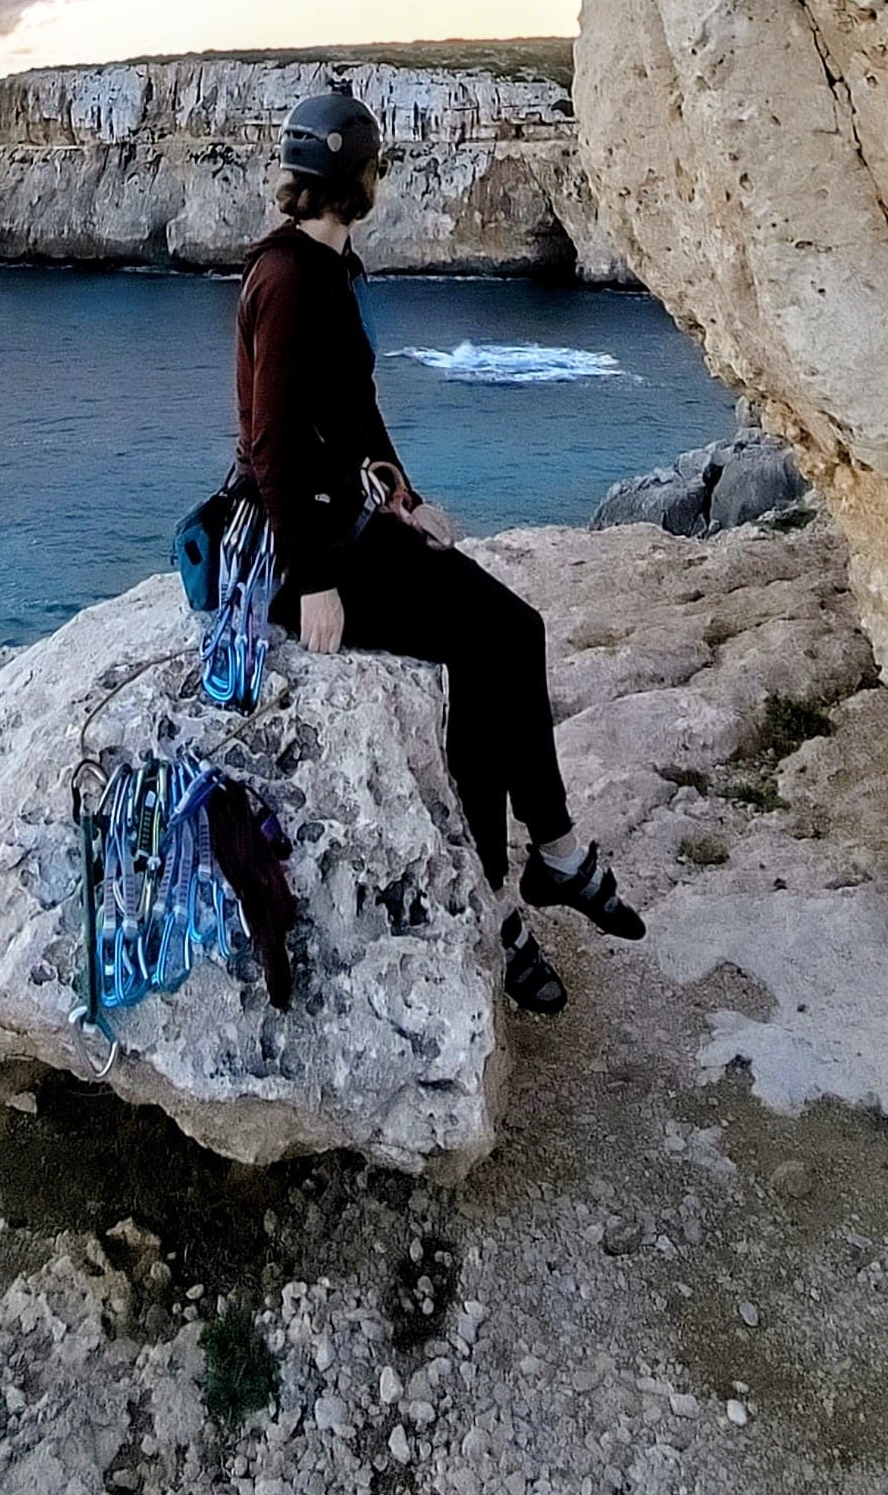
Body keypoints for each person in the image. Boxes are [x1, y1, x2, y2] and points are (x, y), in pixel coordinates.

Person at [232, 86, 644, 1015]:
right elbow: (270, 445)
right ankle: (536, 874)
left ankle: (533, 873)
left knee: (504, 636)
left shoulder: (326, 268)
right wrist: (315, 582)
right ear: (357, 179)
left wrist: (405, 497)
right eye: (375, 166)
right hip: (310, 547)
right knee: (501, 636)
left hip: (350, 521)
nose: (380, 178)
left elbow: (352, 410)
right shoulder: (291, 279)